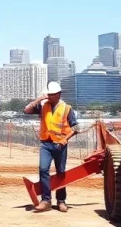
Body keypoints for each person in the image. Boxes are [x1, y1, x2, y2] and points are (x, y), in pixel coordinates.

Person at [23, 81, 79, 212]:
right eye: (48, 94)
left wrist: (65, 139)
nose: (49, 97)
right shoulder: (43, 106)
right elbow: (26, 110)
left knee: (61, 173)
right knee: (43, 169)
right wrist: (38, 99)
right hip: (46, 144)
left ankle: (61, 201)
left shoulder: (67, 108)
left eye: (52, 94)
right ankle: (46, 200)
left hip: (60, 145)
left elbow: (75, 127)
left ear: (59, 94)